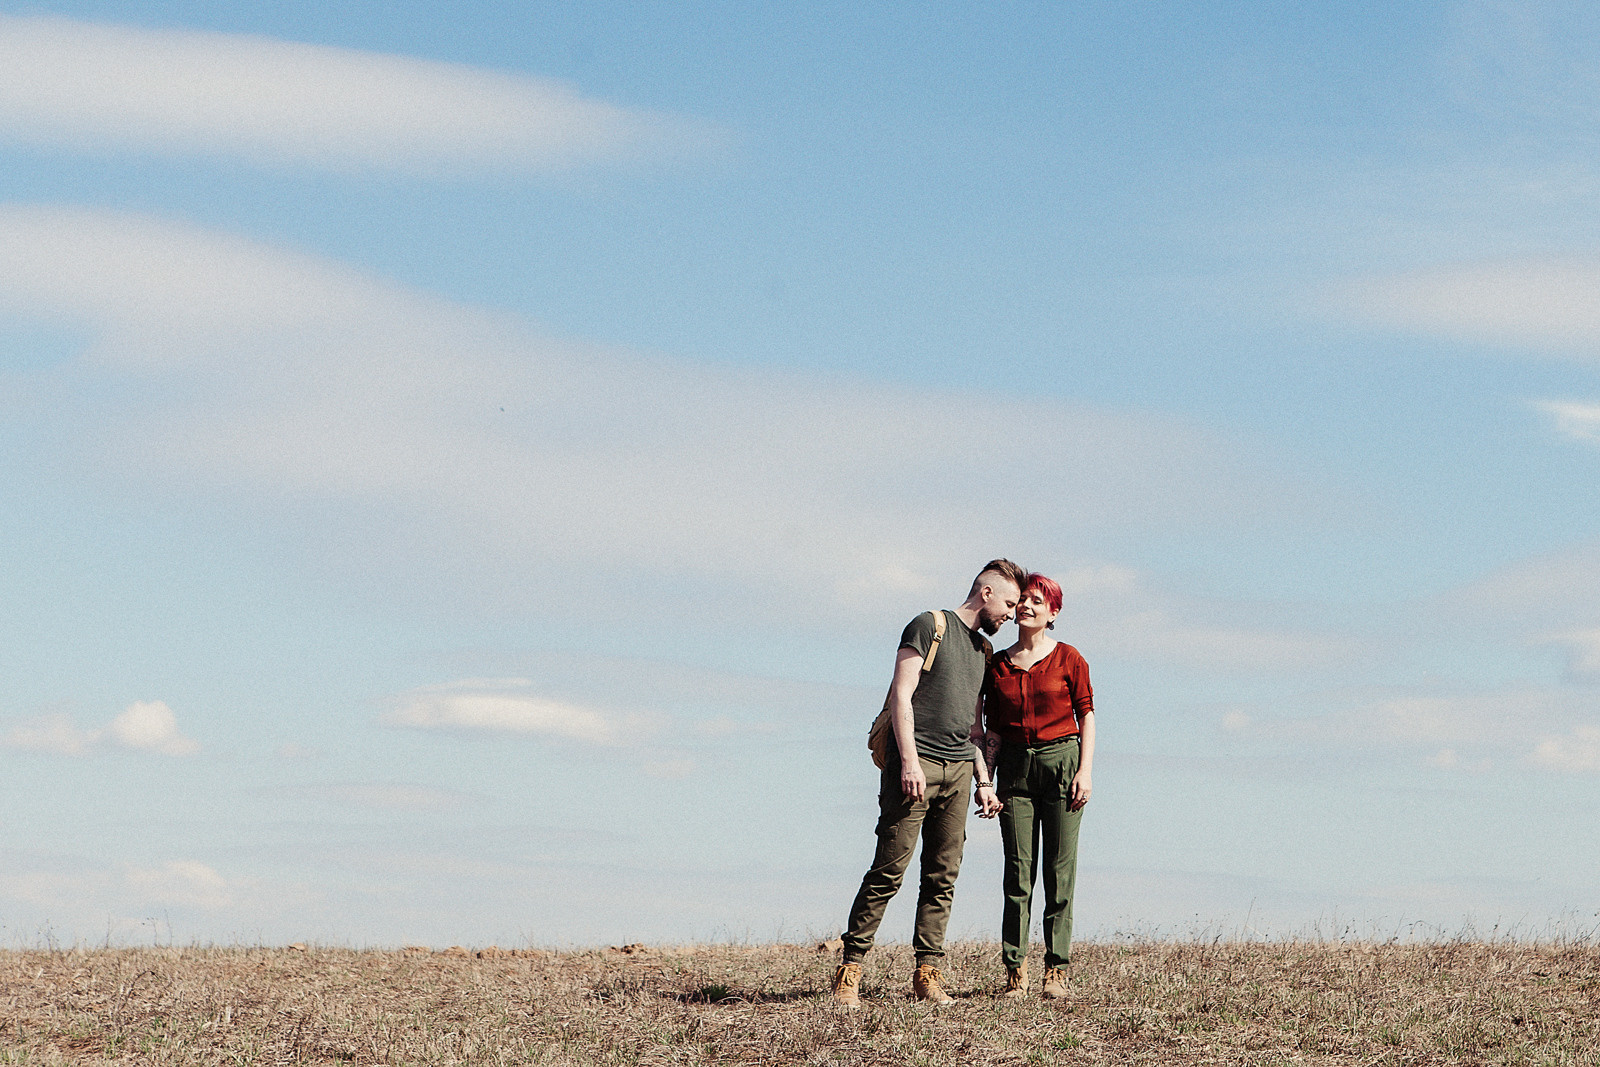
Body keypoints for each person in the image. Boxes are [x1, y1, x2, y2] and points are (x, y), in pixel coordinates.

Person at [831, 559, 1026, 1007]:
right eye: (1009, 603)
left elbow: (974, 727)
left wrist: (983, 781)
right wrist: (909, 763)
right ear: (987, 593)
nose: (1011, 615)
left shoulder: (983, 650)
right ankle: (850, 970)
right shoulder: (929, 626)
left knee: (943, 875)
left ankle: (927, 973)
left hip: (958, 771)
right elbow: (901, 695)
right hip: (914, 767)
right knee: (889, 870)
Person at [979, 572, 1095, 1000]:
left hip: (1062, 763)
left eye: (1037, 601)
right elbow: (990, 729)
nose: (1026, 606)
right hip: (1014, 770)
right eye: (1023, 599)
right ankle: (1016, 970)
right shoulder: (997, 664)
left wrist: (1085, 771)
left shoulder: (1069, 658)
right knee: (1018, 872)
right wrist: (986, 781)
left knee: (1059, 873)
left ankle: (1056, 970)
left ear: (1053, 612)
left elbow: (1087, 715)